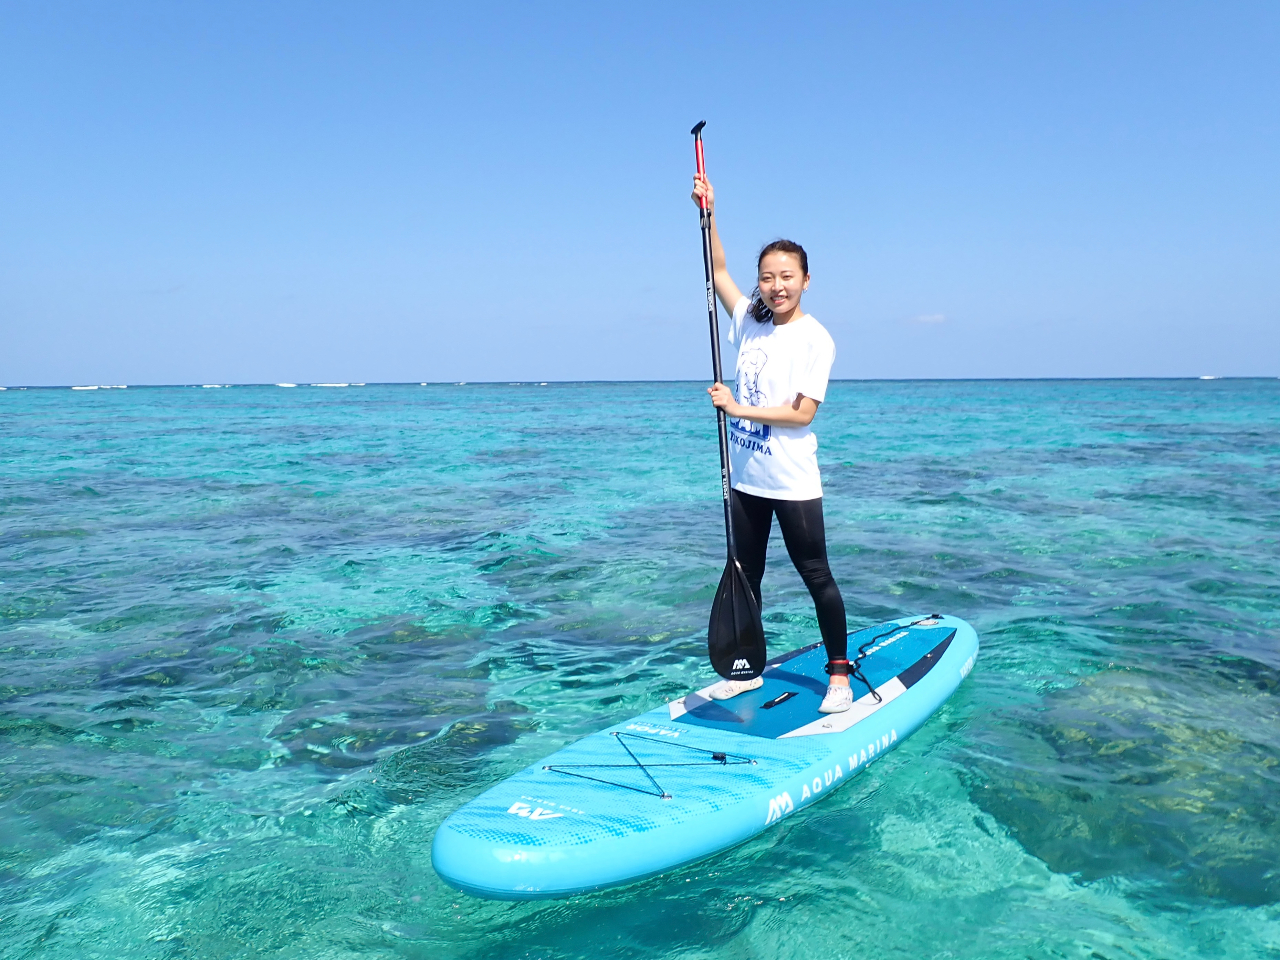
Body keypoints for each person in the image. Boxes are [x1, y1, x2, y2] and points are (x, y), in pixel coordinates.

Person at [691, 173, 853, 714]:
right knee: (746, 575)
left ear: (806, 280)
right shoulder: (750, 322)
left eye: (787, 277)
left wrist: (738, 408)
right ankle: (746, 670)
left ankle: (838, 675)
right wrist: (709, 212)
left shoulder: (815, 338)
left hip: (791, 479)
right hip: (746, 479)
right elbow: (717, 271)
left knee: (816, 574)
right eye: (767, 277)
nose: (776, 286)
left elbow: (802, 413)